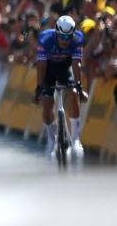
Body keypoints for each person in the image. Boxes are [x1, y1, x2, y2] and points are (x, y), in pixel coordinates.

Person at [35, 14, 87, 159]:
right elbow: (41, 65)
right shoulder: (45, 38)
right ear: (56, 32)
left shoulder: (78, 38)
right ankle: (51, 140)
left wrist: (79, 87)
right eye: (62, 37)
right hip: (49, 69)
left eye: (68, 37)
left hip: (66, 67)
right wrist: (39, 88)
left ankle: (76, 138)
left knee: (73, 94)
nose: (65, 41)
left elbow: (76, 63)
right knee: (47, 102)